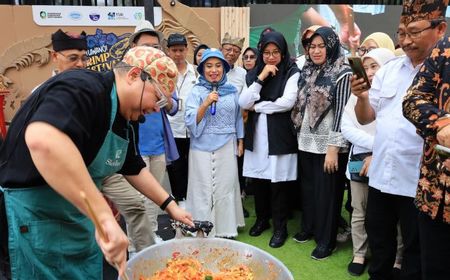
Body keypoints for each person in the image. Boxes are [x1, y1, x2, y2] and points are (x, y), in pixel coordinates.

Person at [0, 46, 193, 279]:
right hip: (37, 215)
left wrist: (171, 206)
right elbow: (43, 141)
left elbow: (132, 166)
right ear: (134, 76)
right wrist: (103, 217)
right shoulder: (82, 87)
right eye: (158, 98)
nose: (155, 109)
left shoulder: (127, 118)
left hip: (77, 215)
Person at [351, 0, 447, 278]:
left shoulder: (443, 73)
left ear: (440, 29)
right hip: (382, 176)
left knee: (416, 253)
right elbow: (367, 118)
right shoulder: (390, 70)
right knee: (380, 244)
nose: (406, 41)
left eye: (414, 32)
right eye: (402, 33)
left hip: (419, 182)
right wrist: (362, 97)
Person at [291, 26, 352, 260]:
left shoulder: (343, 71)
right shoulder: (307, 70)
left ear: (332, 45)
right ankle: (309, 228)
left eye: (321, 46)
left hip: (329, 145)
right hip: (305, 140)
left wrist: (333, 148)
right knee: (308, 190)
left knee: (328, 194)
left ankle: (327, 241)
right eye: (312, 46)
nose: (316, 51)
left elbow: (342, 114)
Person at [240, 31, 300, 248]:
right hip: (257, 135)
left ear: (283, 53)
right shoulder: (254, 73)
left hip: (280, 135)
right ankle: (262, 220)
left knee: (279, 185)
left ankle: (280, 227)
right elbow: (244, 101)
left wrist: (258, 106)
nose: (271, 57)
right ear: (261, 53)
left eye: (276, 52)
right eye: (266, 52)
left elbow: (287, 102)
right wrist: (261, 77)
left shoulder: (292, 72)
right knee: (259, 182)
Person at [341, 47, 396, 276]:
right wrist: (379, 145)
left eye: (375, 66)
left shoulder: (395, 94)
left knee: (394, 215)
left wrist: (380, 151)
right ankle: (359, 253)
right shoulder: (356, 94)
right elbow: (347, 128)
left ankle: (398, 259)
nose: (370, 72)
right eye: (366, 67)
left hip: (390, 161)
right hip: (359, 160)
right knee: (358, 210)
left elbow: (398, 131)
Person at [402, 25, 450, 280]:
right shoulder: (445, 48)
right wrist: (441, 124)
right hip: (435, 194)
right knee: (433, 269)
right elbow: (412, 100)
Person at [185, 48, 245, 238]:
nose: (214, 70)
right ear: (202, 69)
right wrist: (205, 103)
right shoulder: (195, 91)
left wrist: (240, 141)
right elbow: (189, 120)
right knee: (201, 186)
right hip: (200, 146)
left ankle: (226, 227)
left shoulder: (232, 90)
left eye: (218, 66)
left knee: (225, 186)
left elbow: (238, 118)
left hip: (227, 144)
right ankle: (200, 226)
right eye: (209, 66)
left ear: (224, 68)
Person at [166, 33, 198, 204]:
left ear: (187, 50)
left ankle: (194, 204)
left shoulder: (197, 72)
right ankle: (180, 203)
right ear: (168, 51)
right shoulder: (163, 72)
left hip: (193, 129)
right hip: (173, 128)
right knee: (176, 168)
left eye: (181, 50)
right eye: (174, 50)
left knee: (194, 168)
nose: (177, 54)